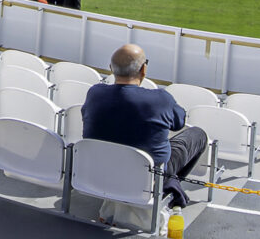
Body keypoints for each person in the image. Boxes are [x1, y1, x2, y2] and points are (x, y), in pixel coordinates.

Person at [81, 44, 208, 209]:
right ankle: (167, 187)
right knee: (198, 134)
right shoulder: (161, 99)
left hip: (101, 170)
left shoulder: (95, 93)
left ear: (111, 68)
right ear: (144, 69)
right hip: (147, 176)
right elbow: (179, 122)